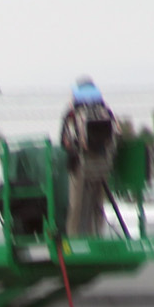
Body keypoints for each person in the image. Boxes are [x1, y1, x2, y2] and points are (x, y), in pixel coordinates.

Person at [59, 77, 118, 237]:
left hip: (80, 165)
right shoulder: (105, 111)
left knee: (77, 205)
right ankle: (97, 236)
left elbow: (65, 141)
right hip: (102, 164)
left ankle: (73, 238)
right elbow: (114, 139)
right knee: (97, 205)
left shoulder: (73, 113)